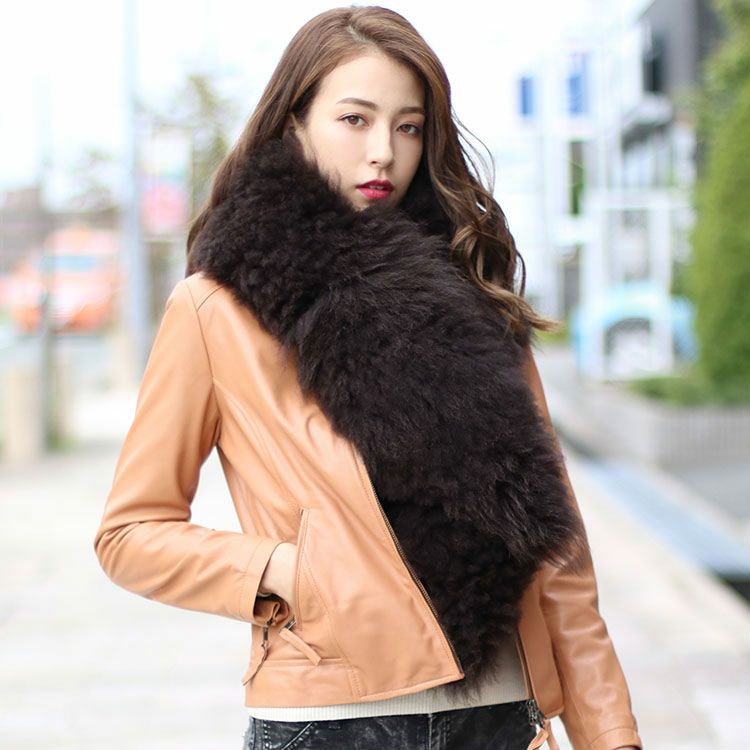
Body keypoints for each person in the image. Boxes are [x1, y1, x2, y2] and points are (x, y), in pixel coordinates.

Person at [93, 6, 643, 750]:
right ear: (294, 123)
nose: (383, 151)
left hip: (501, 715)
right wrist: (285, 570)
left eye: (408, 127)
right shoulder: (217, 310)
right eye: (355, 119)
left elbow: (559, 560)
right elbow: (129, 534)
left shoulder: (471, 294)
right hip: (326, 720)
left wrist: (611, 734)